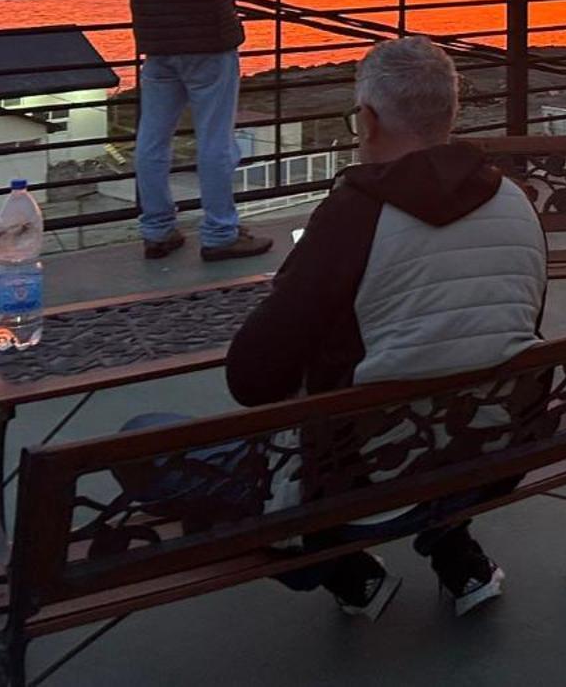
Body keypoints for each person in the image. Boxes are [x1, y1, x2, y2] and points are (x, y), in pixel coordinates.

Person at [224, 35, 549, 618]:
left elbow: (252, 379)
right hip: (485, 454)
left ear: (367, 120)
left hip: (365, 475)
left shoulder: (356, 213)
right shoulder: (516, 201)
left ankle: (341, 565)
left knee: (155, 434)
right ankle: (450, 542)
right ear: (449, 113)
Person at [107, 0, 271, 262]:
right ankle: (220, 232)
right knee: (215, 139)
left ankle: (157, 229)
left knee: (152, 138)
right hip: (208, 42)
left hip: (157, 42)